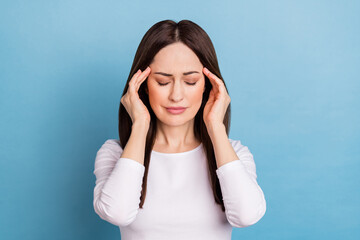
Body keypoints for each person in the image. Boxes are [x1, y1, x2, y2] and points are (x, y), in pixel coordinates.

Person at [92, 19, 266, 240]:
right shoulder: (116, 153)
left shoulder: (234, 154)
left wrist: (216, 127)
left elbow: (247, 215)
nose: (176, 96)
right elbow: (117, 213)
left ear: (208, 86)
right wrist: (140, 125)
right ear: (142, 85)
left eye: (191, 82)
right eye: (163, 82)